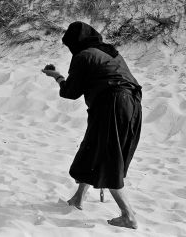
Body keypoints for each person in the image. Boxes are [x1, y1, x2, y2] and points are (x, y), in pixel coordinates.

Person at [42, 21, 142, 229]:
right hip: (132, 103)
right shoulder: (110, 51)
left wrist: (57, 77)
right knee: (92, 148)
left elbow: (70, 92)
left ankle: (128, 215)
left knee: (108, 158)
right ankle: (78, 199)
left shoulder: (83, 55)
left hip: (111, 103)